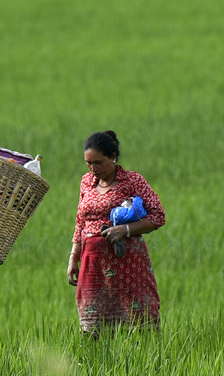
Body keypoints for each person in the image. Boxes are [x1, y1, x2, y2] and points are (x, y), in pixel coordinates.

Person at [67, 130, 165, 335]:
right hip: (92, 262)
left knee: (138, 322)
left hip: (126, 261)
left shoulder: (132, 181)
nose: (93, 168)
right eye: (88, 163)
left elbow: (158, 216)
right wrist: (73, 258)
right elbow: (80, 222)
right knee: (94, 328)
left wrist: (125, 229)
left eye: (98, 162)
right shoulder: (86, 182)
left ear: (113, 157)